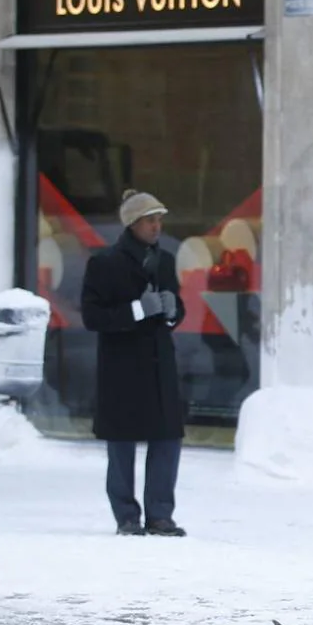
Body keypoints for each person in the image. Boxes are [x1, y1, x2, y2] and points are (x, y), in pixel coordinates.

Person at [81, 189, 188, 537]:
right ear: (133, 223)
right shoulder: (104, 263)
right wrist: (138, 309)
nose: (157, 227)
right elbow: (93, 316)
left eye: (159, 220)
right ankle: (126, 515)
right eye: (149, 220)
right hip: (122, 366)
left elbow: (176, 309)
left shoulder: (166, 261)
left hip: (159, 364)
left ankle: (160, 514)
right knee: (122, 442)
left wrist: (173, 311)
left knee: (168, 437)